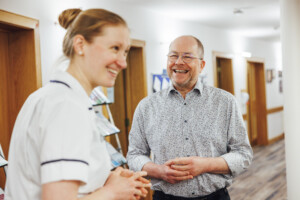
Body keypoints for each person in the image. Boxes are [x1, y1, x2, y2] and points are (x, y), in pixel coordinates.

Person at [5, 8, 151, 200]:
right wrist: (112, 193)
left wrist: (105, 179)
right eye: (115, 48)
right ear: (80, 45)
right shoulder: (67, 106)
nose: (123, 63)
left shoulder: (51, 96)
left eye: (125, 52)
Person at [127, 35, 253, 200]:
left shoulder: (225, 102)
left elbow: (243, 154)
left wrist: (205, 165)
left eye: (187, 56)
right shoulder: (146, 106)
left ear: (201, 65)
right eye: (173, 56)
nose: (178, 62)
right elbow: (134, 155)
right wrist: (159, 171)